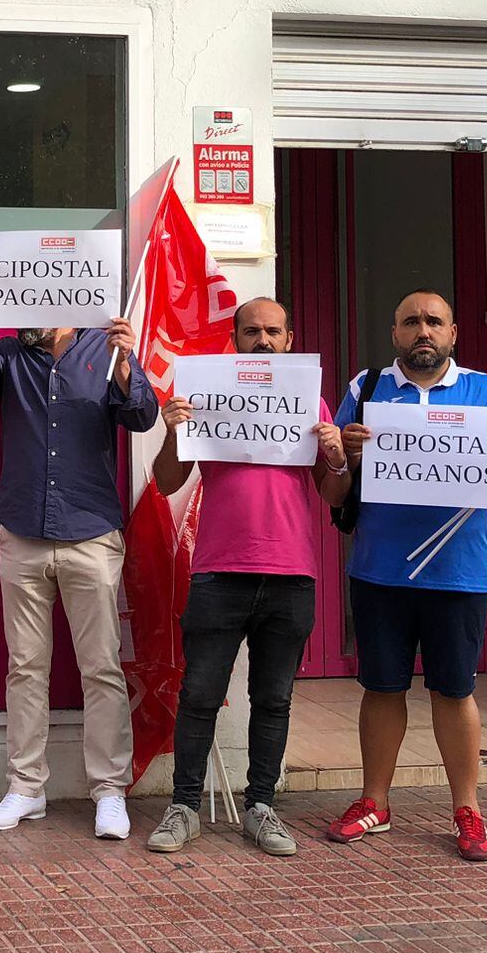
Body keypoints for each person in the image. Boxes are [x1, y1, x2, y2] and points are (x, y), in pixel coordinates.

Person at [0, 262, 159, 840]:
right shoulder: (10, 354)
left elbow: (141, 415)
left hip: (90, 534)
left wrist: (125, 361)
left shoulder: (105, 347)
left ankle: (109, 792)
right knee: (25, 666)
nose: (30, 315)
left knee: (102, 670)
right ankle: (25, 788)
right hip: (22, 532)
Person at [328, 290, 487, 862]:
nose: (422, 330)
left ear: (453, 333)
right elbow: (333, 489)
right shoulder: (364, 391)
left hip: (457, 572)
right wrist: (342, 457)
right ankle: (374, 802)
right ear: (395, 333)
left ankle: (468, 810)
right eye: (411, 322)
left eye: (434, 321)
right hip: (380, 570)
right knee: (381, 687)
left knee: (455, 690)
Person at [144, 297, 350, 858]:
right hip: (218, 570)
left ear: (289, 339)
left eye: (273, 332)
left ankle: (261, 808)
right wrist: (172, 431)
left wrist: (334, 456)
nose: (263, 340)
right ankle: (183, 807)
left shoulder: (312, 401)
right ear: (234, 339)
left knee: (274, 698)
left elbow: (334, 495)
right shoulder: (204, 398)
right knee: (200, 694)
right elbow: (166, 483)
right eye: (252, 331)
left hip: (290, 574)